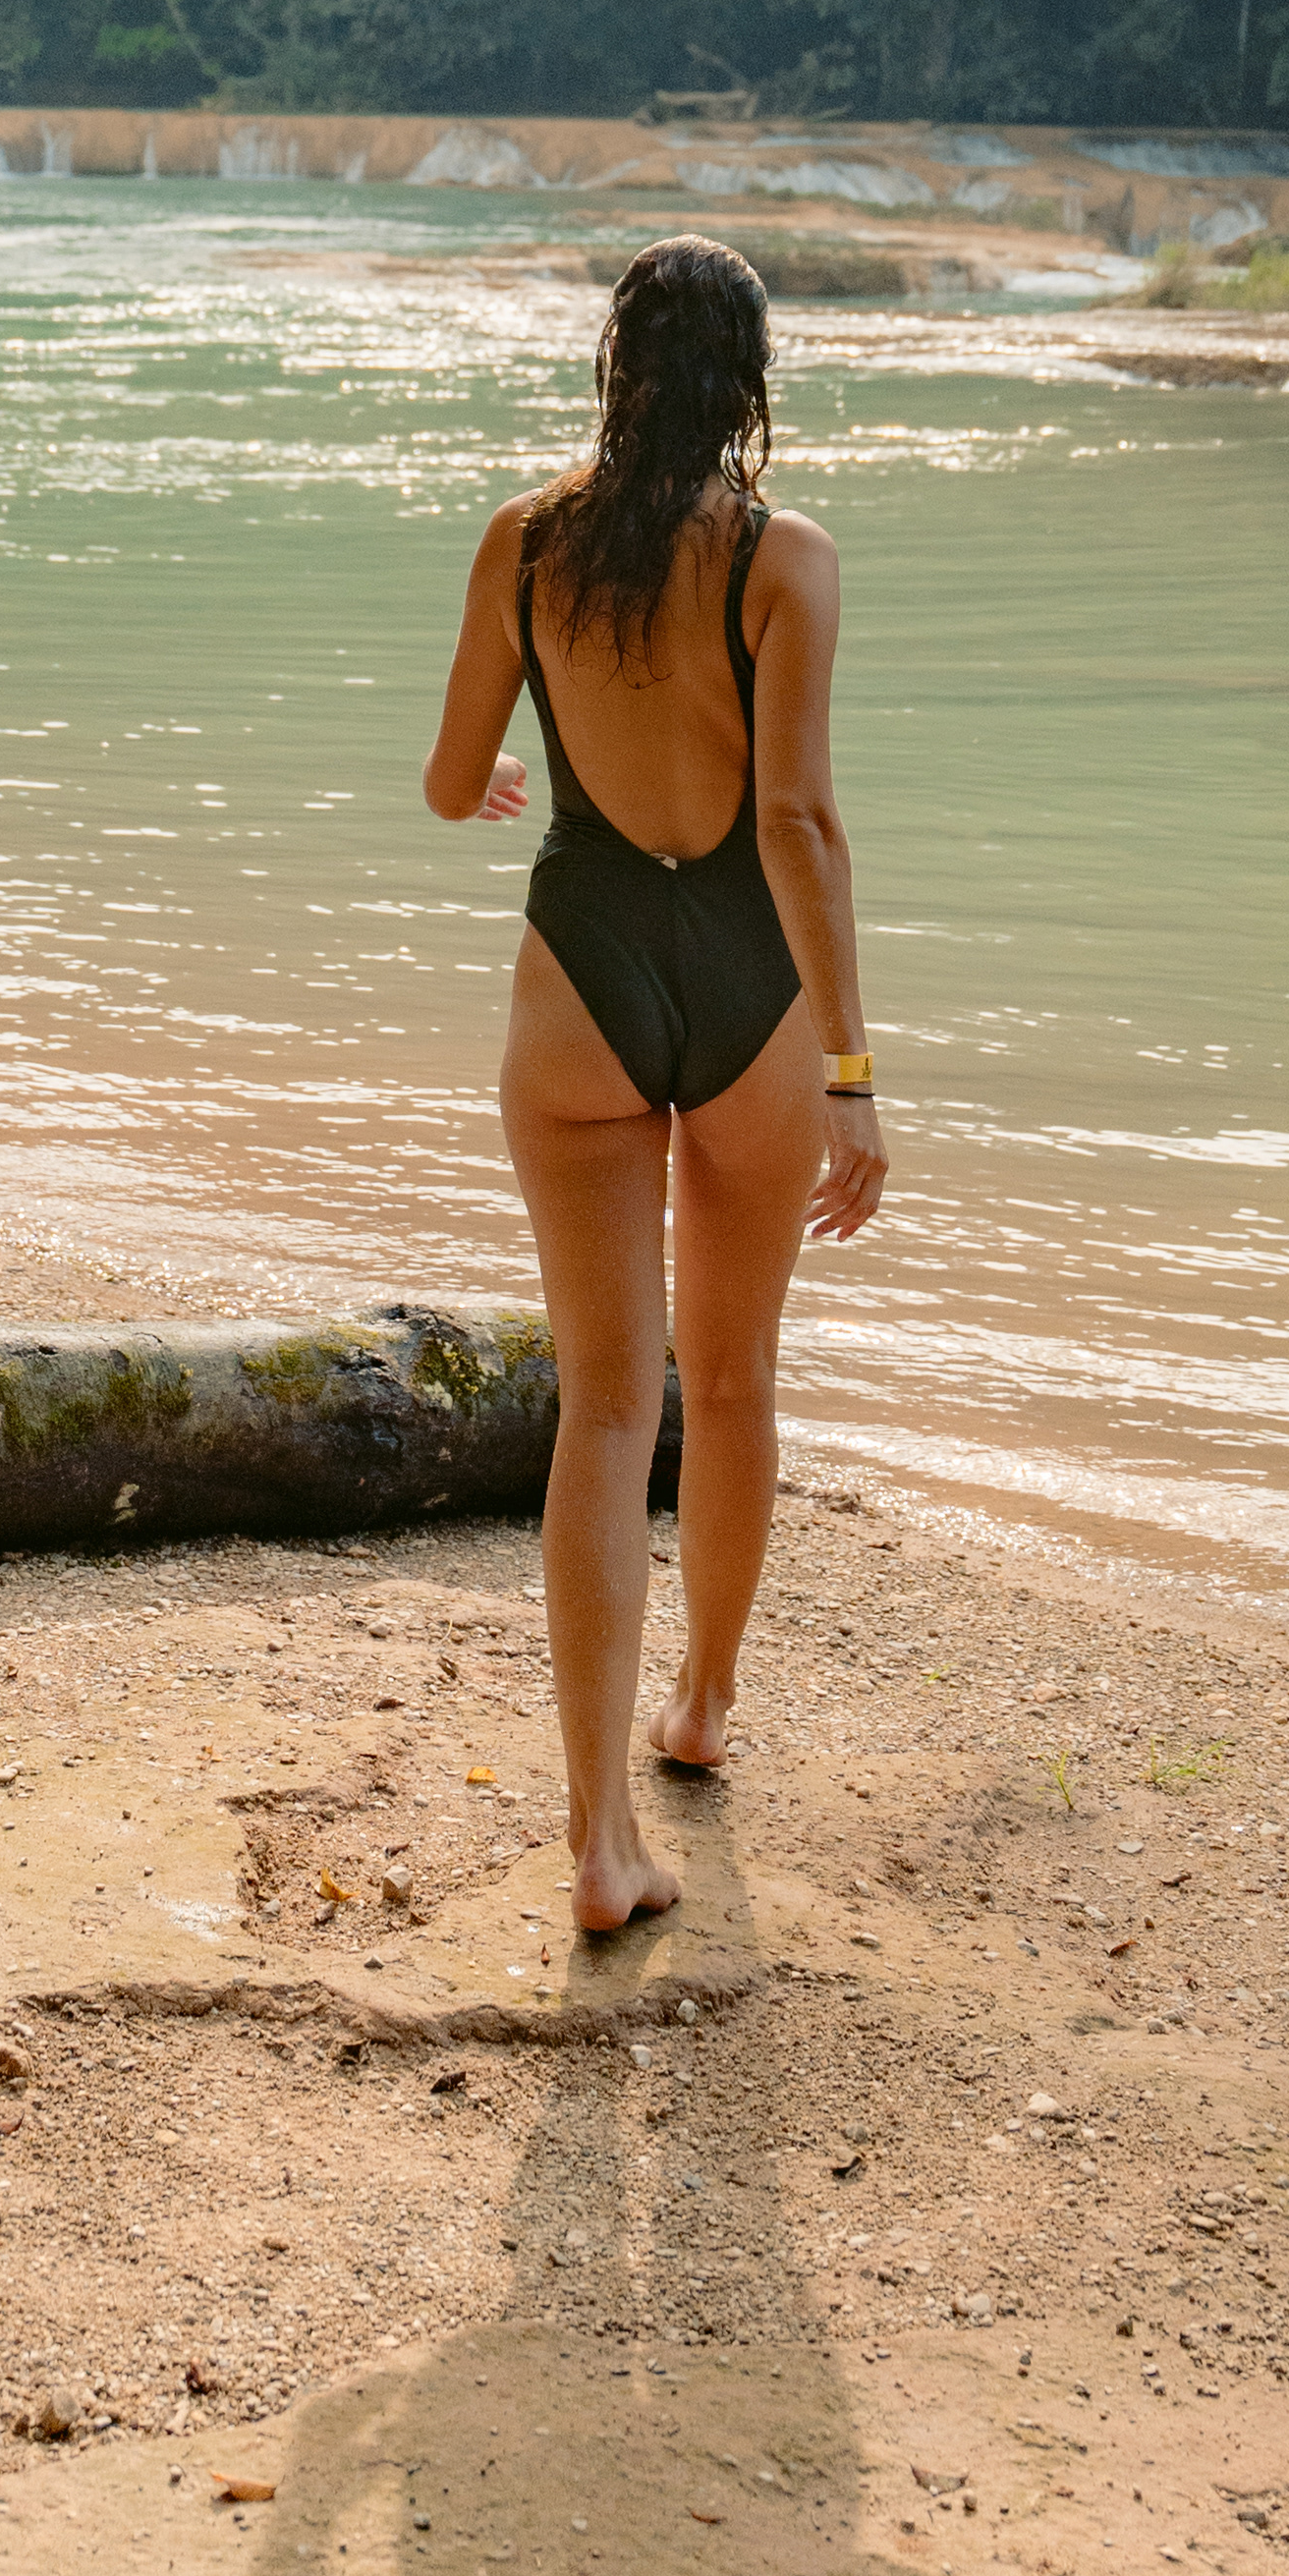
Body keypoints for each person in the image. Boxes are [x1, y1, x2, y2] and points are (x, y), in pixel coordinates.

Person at [422, 236, 886, 1932]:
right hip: (752, 989)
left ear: (612, 370)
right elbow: (797, 823)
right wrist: (846, 1071)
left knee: (607, 1411)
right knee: (735, 1383)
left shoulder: (526, 541)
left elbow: (452, 776)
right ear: (750, 385)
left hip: (581, 970)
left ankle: (602, 1838)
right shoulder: (787, 562)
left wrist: (493, 789)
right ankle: (702, 1709)